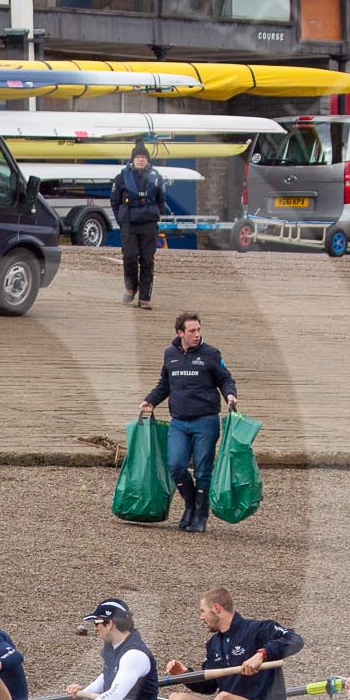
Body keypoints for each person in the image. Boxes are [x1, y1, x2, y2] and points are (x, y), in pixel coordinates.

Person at [138, 312, 240, 533]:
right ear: (180, 333)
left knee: (203, 471)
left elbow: (225, 378)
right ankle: (190, 503)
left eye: (199, 330)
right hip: (179, 422)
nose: (197, 334)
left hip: (205, 421)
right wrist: (150, 400)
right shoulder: (170, 354)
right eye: (192, 331)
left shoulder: (211, 354)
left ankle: (200, 514)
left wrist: (230, 395)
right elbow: (165, 384)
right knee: (175, 465)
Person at [164, 588, 305, 700]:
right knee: (177, 698)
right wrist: (184, 674)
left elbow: (295, 640)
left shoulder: (258, 629)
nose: (201, 617)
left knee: (224, 699)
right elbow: (209, 686)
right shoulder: (213, 644)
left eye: (202, 611)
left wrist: (262, 654)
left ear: (216, 608)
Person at [64, 599, 158, 700]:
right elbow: (105, 678)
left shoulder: (134, 654)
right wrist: (83, 693)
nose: (95, 629)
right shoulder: (113, 647)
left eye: (96, 623)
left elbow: (115, 695)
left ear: (109, 624)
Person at [110, 143, 166, 309]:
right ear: (132, 160)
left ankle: (145, 297)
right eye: (138, 157)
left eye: (143, 157)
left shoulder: (156, 177)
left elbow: (161, 201)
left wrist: (155, 214)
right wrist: (121, 219)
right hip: (129, 224)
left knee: (147, 260)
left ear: (148, 160)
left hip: (149, 224)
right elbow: (114, 200)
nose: (141, 160)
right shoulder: (121, 178)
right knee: (129, 257)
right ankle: (130, 287)